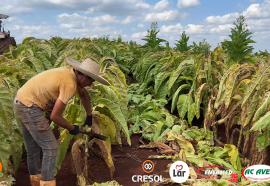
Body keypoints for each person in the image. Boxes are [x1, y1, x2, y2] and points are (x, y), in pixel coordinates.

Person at [13, 57, 110, 186]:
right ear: (85, 77)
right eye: (91, 80)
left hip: (20, 100)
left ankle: (35, 181)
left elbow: (83, 94)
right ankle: (47, 183)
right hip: (30, 107)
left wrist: (89, 115)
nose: (90, 84)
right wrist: (71, 127)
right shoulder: (70, 84)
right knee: (51, 148)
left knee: (33, 149)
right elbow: (55, 116)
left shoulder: (70, 72)